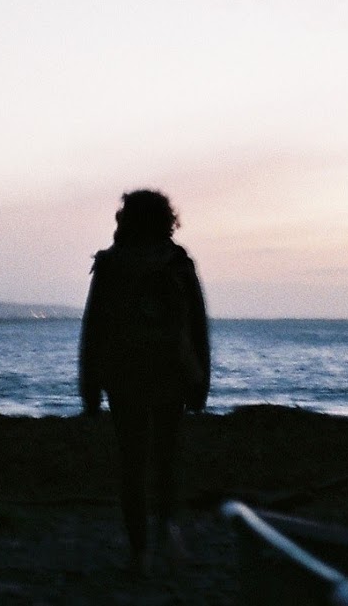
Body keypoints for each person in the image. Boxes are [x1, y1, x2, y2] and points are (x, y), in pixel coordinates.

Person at [78, 189, 211, 574]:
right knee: (167, 459)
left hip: (125, 376)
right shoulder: (178, 264)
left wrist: (89, 388)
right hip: (172, 373)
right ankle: (167, 533)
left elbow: (94, 329)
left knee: (132, 464)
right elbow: (197, 328)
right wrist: (200, 383)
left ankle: (139, 552)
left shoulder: (111, 264)